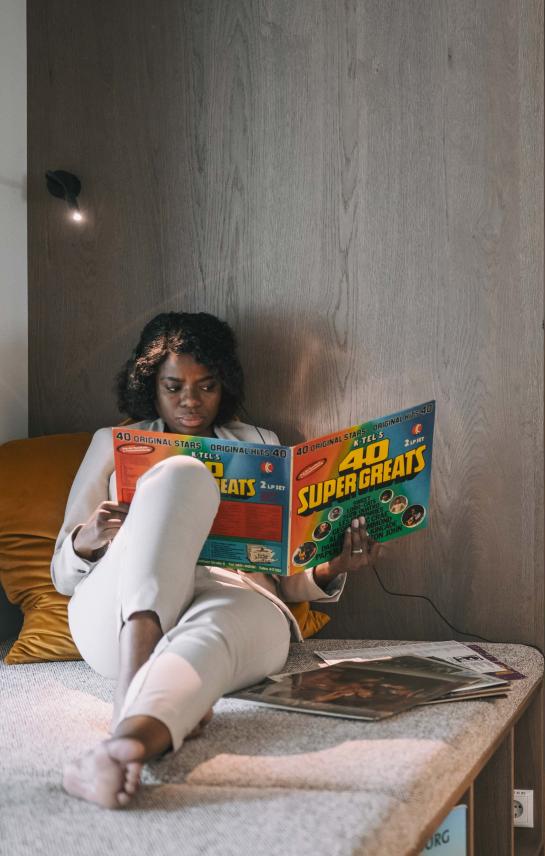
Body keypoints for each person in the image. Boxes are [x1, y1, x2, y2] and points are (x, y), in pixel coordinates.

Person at [54, 312, 380, 809]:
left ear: (222, 385)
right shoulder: (111, 443)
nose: (190, 400)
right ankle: (132, 687)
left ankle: (125, 745)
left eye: (206, 387)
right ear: (150, 385)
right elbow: (61, 574)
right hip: (118, 616)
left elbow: (284, 578)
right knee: (181, 473)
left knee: (212, 637)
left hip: (232, 594)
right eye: (173, 386)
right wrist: (89, 537)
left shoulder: (261, 445)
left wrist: (332, 567)